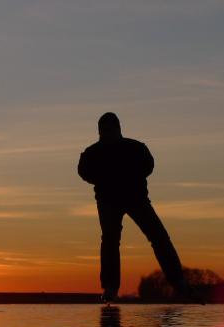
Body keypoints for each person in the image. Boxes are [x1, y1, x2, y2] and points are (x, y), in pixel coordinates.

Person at [77, 112, 202, 304]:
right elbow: (83, 171)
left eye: (110, 129)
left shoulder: (133, 148)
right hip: (113, 200)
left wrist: (121, 178)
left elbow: (148, 165)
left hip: (134, 198)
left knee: (156, 236)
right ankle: (111, 288)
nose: (108, 133)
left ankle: (178, 281)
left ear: (116, 129)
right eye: (105, 130)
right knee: (114, 240)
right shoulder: (95, 153)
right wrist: (107, 180)